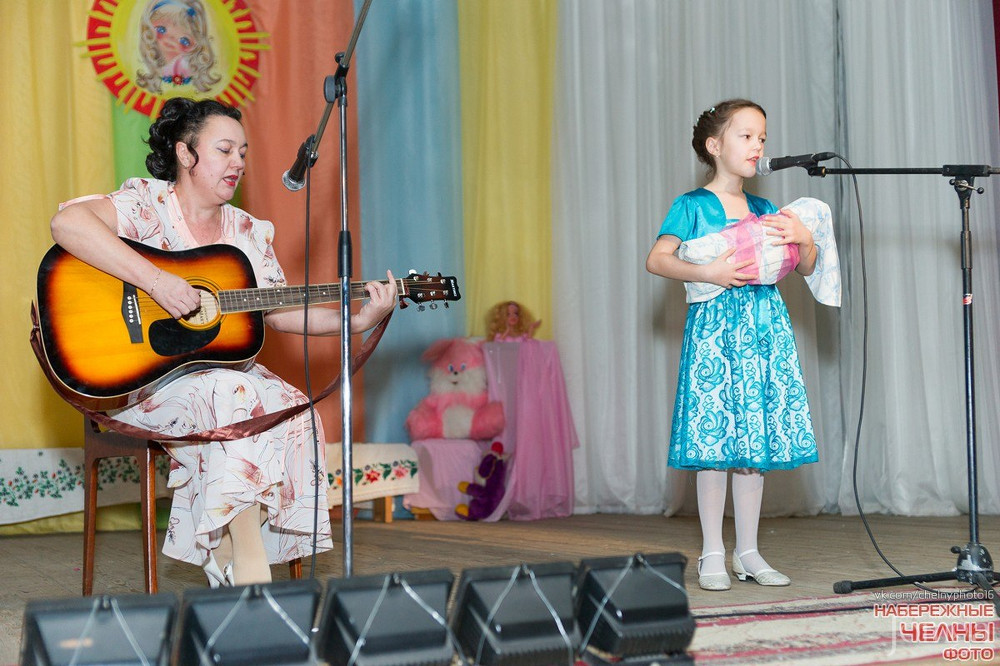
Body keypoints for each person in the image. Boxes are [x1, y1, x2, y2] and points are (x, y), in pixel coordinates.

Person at [49, 97, 398, 587]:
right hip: (145, 380)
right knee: (233, 393)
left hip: (224, 382)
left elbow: (280, 311)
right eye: (225, 149)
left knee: (295, 409)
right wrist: (155, 281)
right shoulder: (147, 204)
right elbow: (67, 225)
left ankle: (227, 552)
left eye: (243, 152)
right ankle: (249, 566)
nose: (238, 162)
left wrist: (358, 320)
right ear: (185, 153)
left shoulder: (247, 232)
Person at [645, 99, 819, 591]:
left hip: (763, 329)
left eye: (762, 137)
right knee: (715, 443)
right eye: (746, 136)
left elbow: (804, 267)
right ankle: (712, 553)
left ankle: (749, 551)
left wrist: (805, 239)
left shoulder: (766, 210)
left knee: (751, 447)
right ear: (714, 145)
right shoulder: (692, 205)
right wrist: (708, 272)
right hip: (715, 331)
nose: (757, 145)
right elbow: (657, 259)